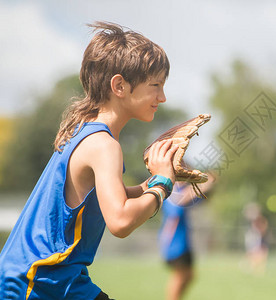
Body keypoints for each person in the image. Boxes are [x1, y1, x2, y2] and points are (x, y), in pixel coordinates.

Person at [0, 22, 176, 300]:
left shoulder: (86, 130)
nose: (162, 97)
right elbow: (119, 221)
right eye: (155, 85)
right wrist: (163, 184)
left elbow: (102, 200)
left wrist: (155, 181)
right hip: (38, 281)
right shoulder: (104, 146)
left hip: (58, 276)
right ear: (119, 85)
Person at [159, 177, 214, 300]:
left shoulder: (182, 189)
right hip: (174, 241)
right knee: (180, 276)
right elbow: (180, 200)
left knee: (189, 275)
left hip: (183, 241)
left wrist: (208, 186)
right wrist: (202, 187)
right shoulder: (170, 190)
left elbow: (197, 199)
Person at [243, 203, 270, 275]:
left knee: (261, 253)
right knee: (254, 253)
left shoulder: (260, 219)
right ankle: (254, 268)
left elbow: (264, 227)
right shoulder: (254, 221)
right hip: (254, 238)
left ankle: (258, 269)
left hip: (258, 238)